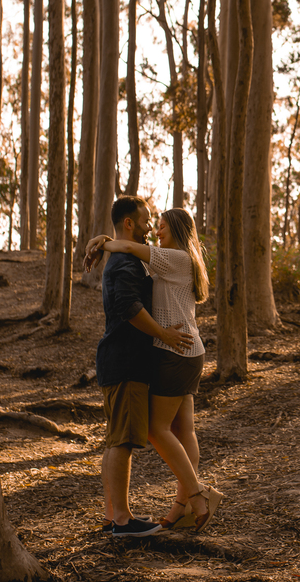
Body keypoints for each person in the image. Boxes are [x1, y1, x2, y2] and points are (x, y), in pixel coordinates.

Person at [86, 207, 224, 532]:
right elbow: (129, 245)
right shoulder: (175, 257)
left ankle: (197, 494)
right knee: (182, 430)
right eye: (154, 225)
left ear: (175, 229)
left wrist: (101, 242)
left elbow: (130, 246)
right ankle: (182, 507)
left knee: (155, 430)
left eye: (160, 226)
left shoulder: (173, 257)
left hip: (174, 350)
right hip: (188, 350)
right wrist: (105, 239)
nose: (155, 231)